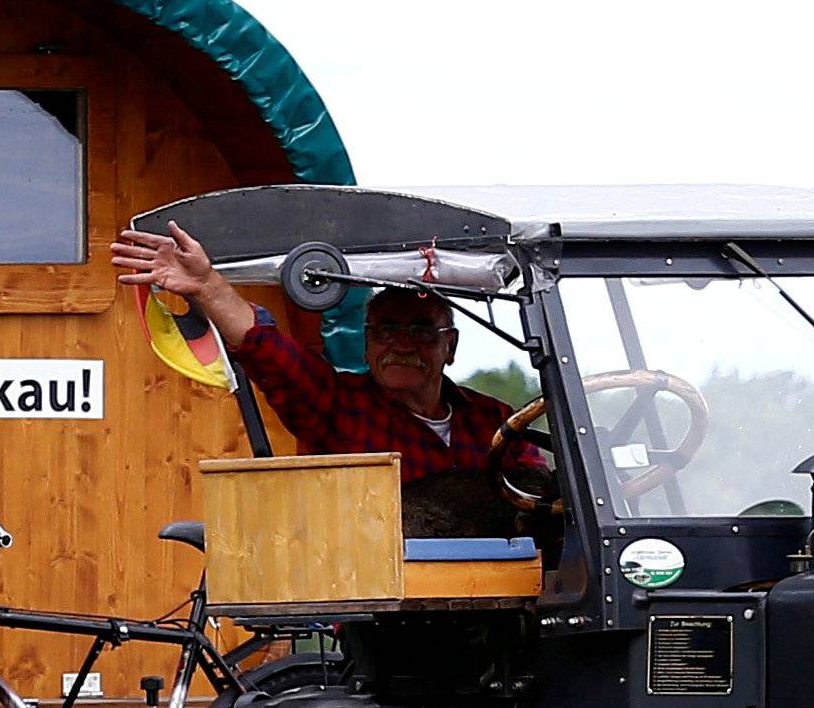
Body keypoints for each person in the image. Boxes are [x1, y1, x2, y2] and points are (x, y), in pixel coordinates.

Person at [112, 222, 544, 529]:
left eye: (421, 331)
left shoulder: (495, 418)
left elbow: (541, 492)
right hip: (383, 613)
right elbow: (270, 353)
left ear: (449, 346)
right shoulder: (338, 406)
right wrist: (208, 287)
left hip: (492, 603)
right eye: (387, 330)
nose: (402, 345)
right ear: (367, 344)